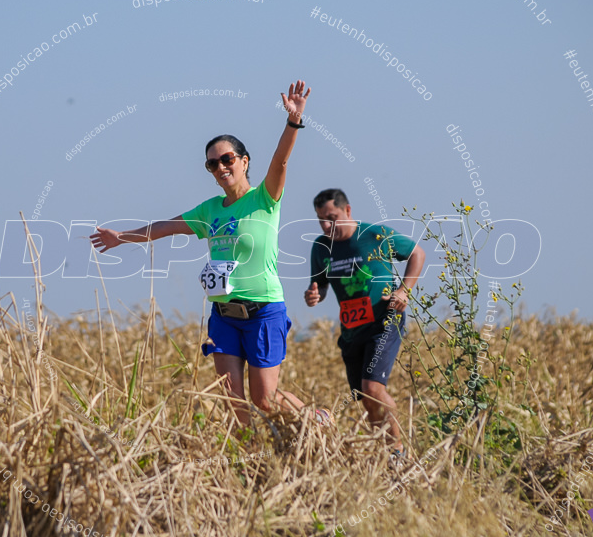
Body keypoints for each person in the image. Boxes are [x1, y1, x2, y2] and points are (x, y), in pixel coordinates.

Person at [90, 80, 316, 426]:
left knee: (265, 400)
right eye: (212, 164)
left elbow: (281, 162)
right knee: (232, 402)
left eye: (227, 159)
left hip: (263, 311)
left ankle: (318, 420)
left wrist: (293, 121)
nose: (221, 167)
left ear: (243, 161)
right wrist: (121, 237)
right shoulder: (209, 210)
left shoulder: (264, 198)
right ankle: (252, 465)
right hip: (224, 315)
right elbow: (165, 228)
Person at [304, 188, 425, 455]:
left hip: (384, 320)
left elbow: (417, 253)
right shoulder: (320, 247)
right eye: (321, 219)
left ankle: (398, 455)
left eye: (331, 217)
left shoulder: (374, 235)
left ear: (348, 211)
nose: (326, 225)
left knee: (373, 388)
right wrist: (315, 294)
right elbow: (320, 285)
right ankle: (385, 456)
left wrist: (404, 290)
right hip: (351, 330)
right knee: (366, 398)